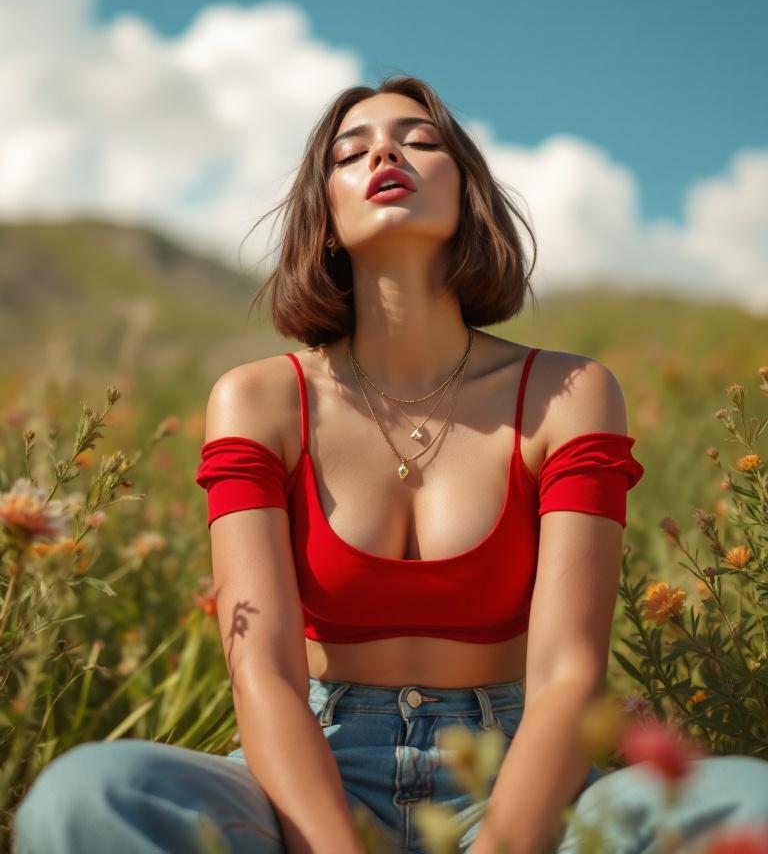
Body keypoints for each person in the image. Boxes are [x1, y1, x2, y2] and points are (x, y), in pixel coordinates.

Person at [13, 76, 768, 854]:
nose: (384, 152)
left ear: (467, 193)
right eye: (351, 150)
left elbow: (569, 678)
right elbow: (263, 675)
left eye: (420, 139)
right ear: (327, 216)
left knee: (751, 803)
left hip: (516, 779)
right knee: (85, 797)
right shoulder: (258, 401)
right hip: (314, 776)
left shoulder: (567, 393)